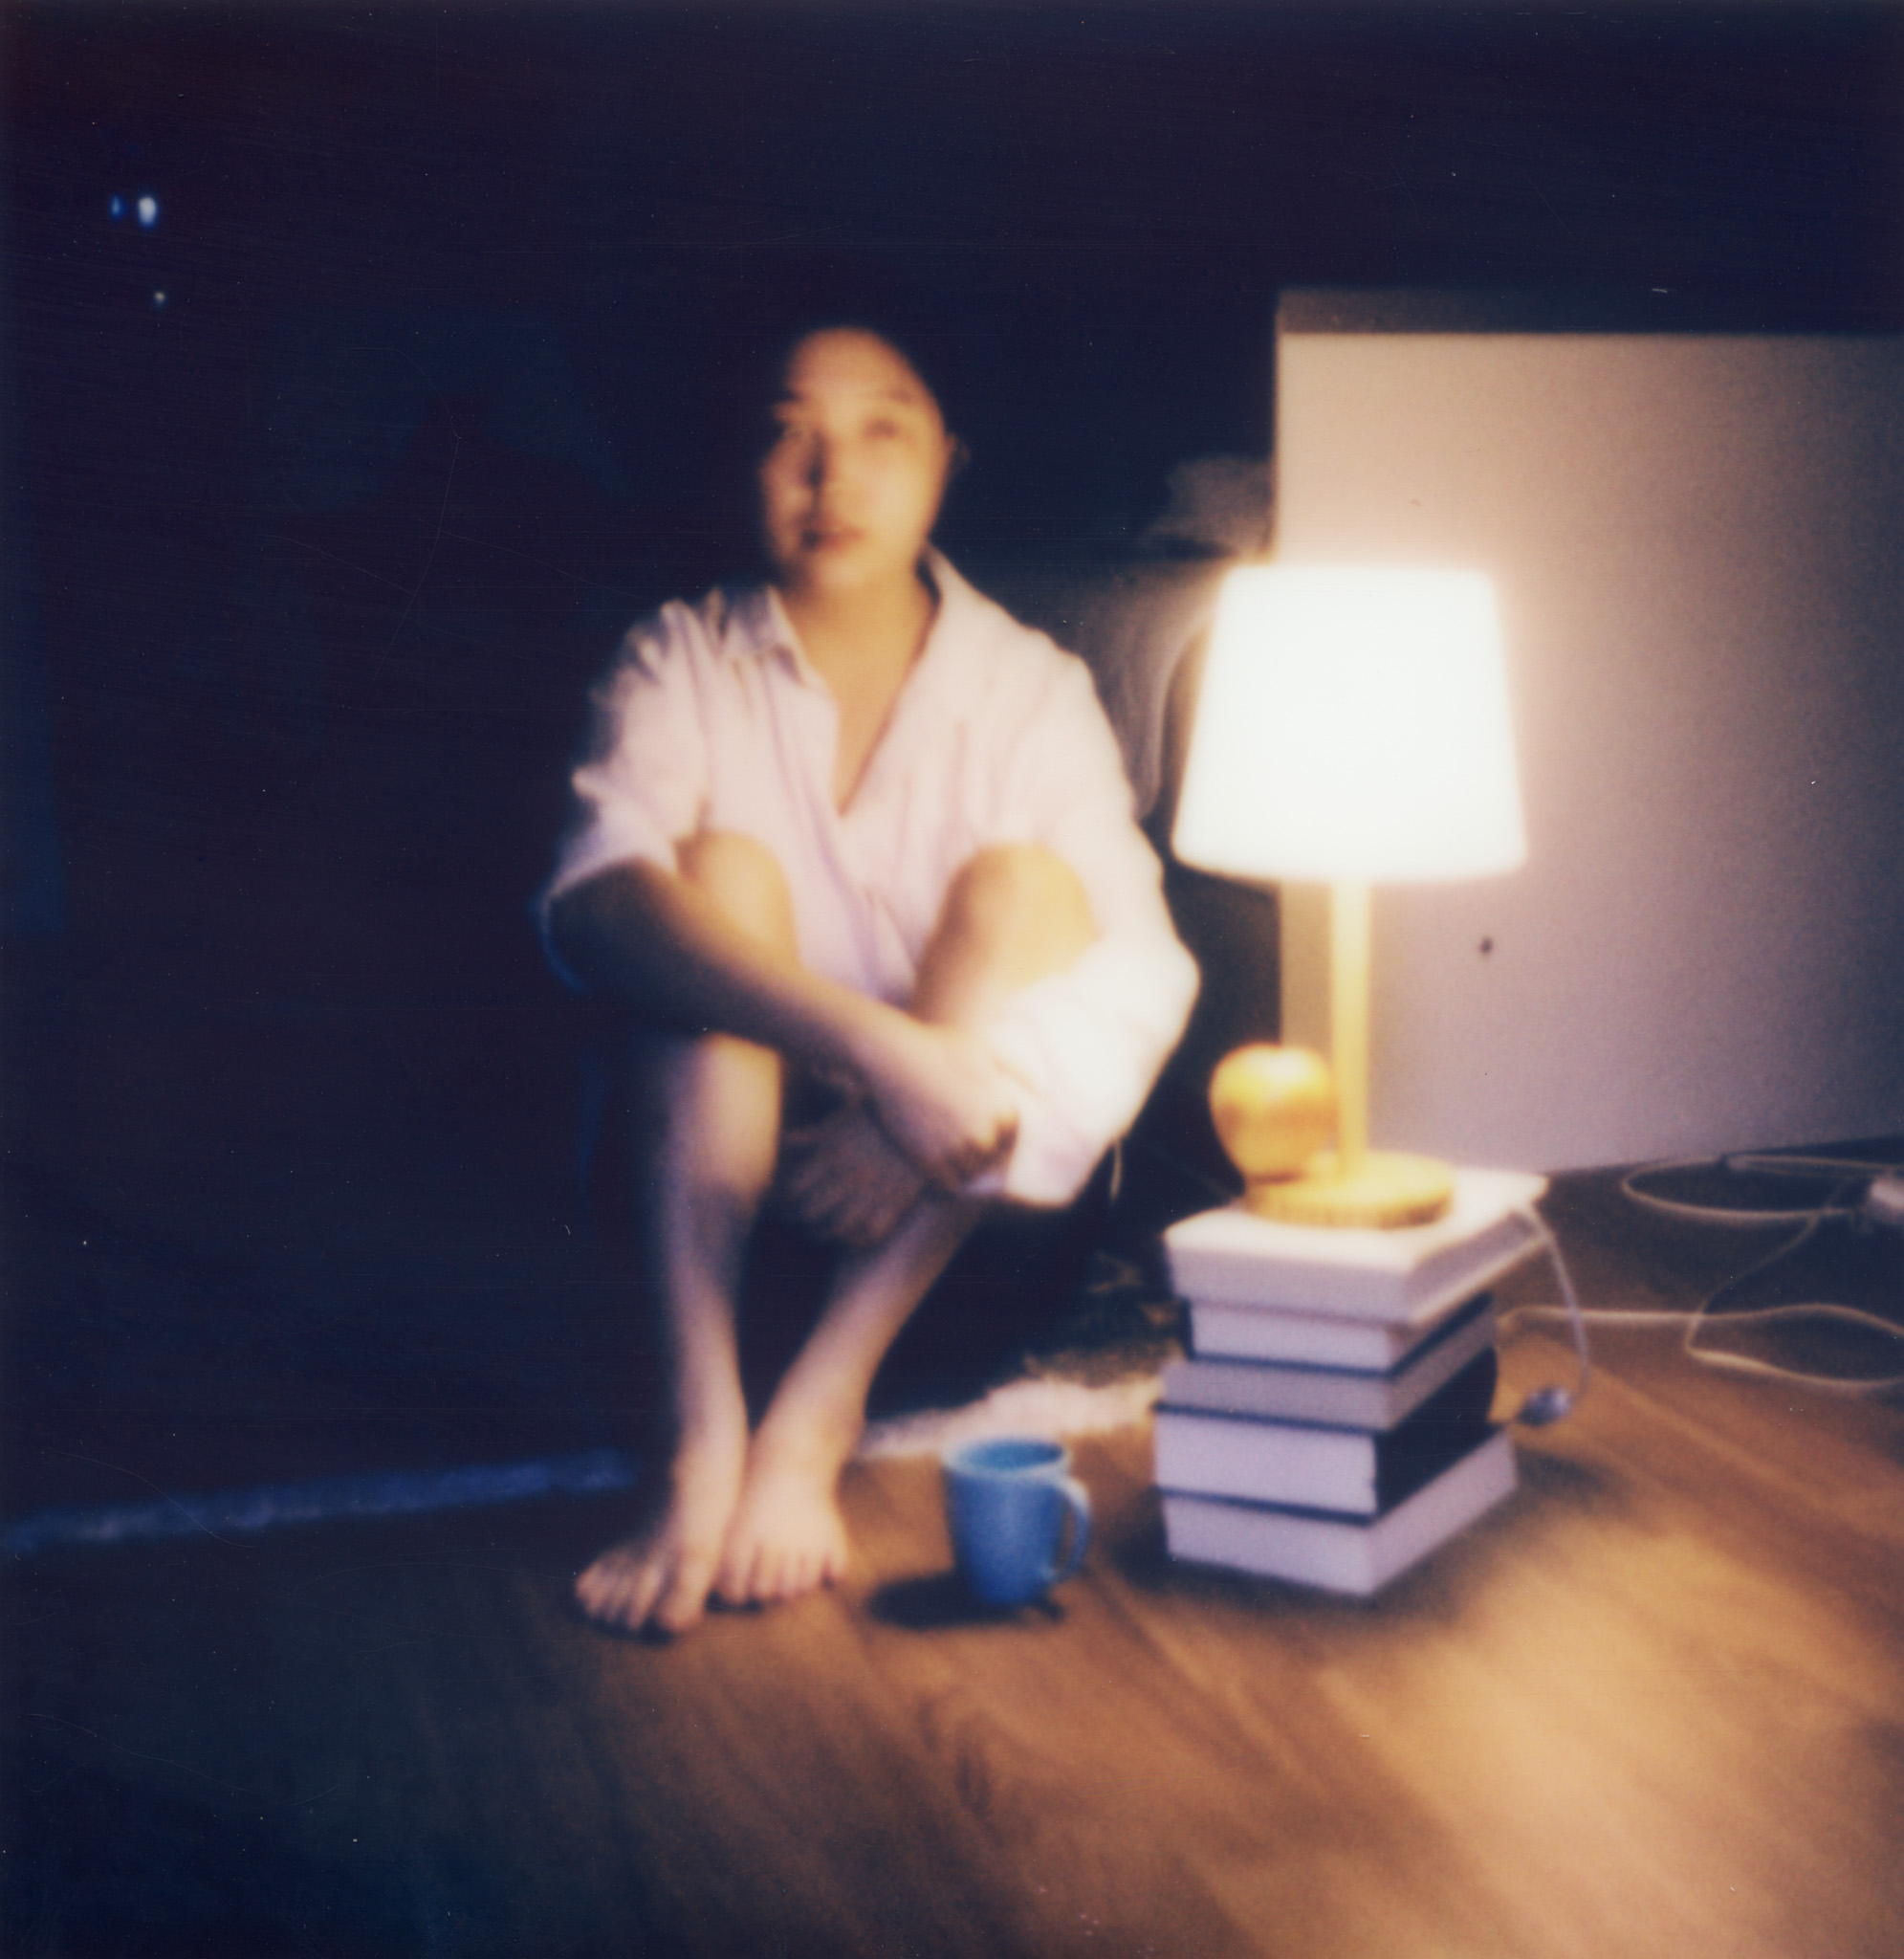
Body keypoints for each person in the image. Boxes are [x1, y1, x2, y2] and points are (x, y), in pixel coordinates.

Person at [538, 319, 1197, 1634]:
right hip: (716, 1245)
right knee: (713, 875)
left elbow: (1147, 969)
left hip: (952, 1265)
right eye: (787, 433)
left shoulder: (1032, 687)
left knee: (1027, 889)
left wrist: (920, 1127)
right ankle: (699, 1436)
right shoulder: (678, 656)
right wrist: (889, 1057)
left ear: (948, 458)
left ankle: (813, 1421)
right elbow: (592, 906)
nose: (831, 475)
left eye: (881, 431)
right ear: (740, 465)